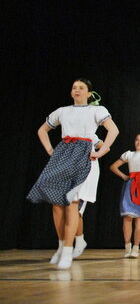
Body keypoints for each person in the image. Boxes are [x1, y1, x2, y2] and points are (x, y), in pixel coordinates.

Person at [27, 78, 119, 269]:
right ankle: (61, 246)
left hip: (83, 154)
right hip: (63, 154)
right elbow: (42, 130)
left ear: (89, 93)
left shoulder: (96, 110)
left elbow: (113, 130)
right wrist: (50, 150)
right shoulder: (62, 111)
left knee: (72, 202)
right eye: (74, 88)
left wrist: (101, 151)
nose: (77, 90)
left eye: (81, 88)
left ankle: (68, 249)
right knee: (56, 203)